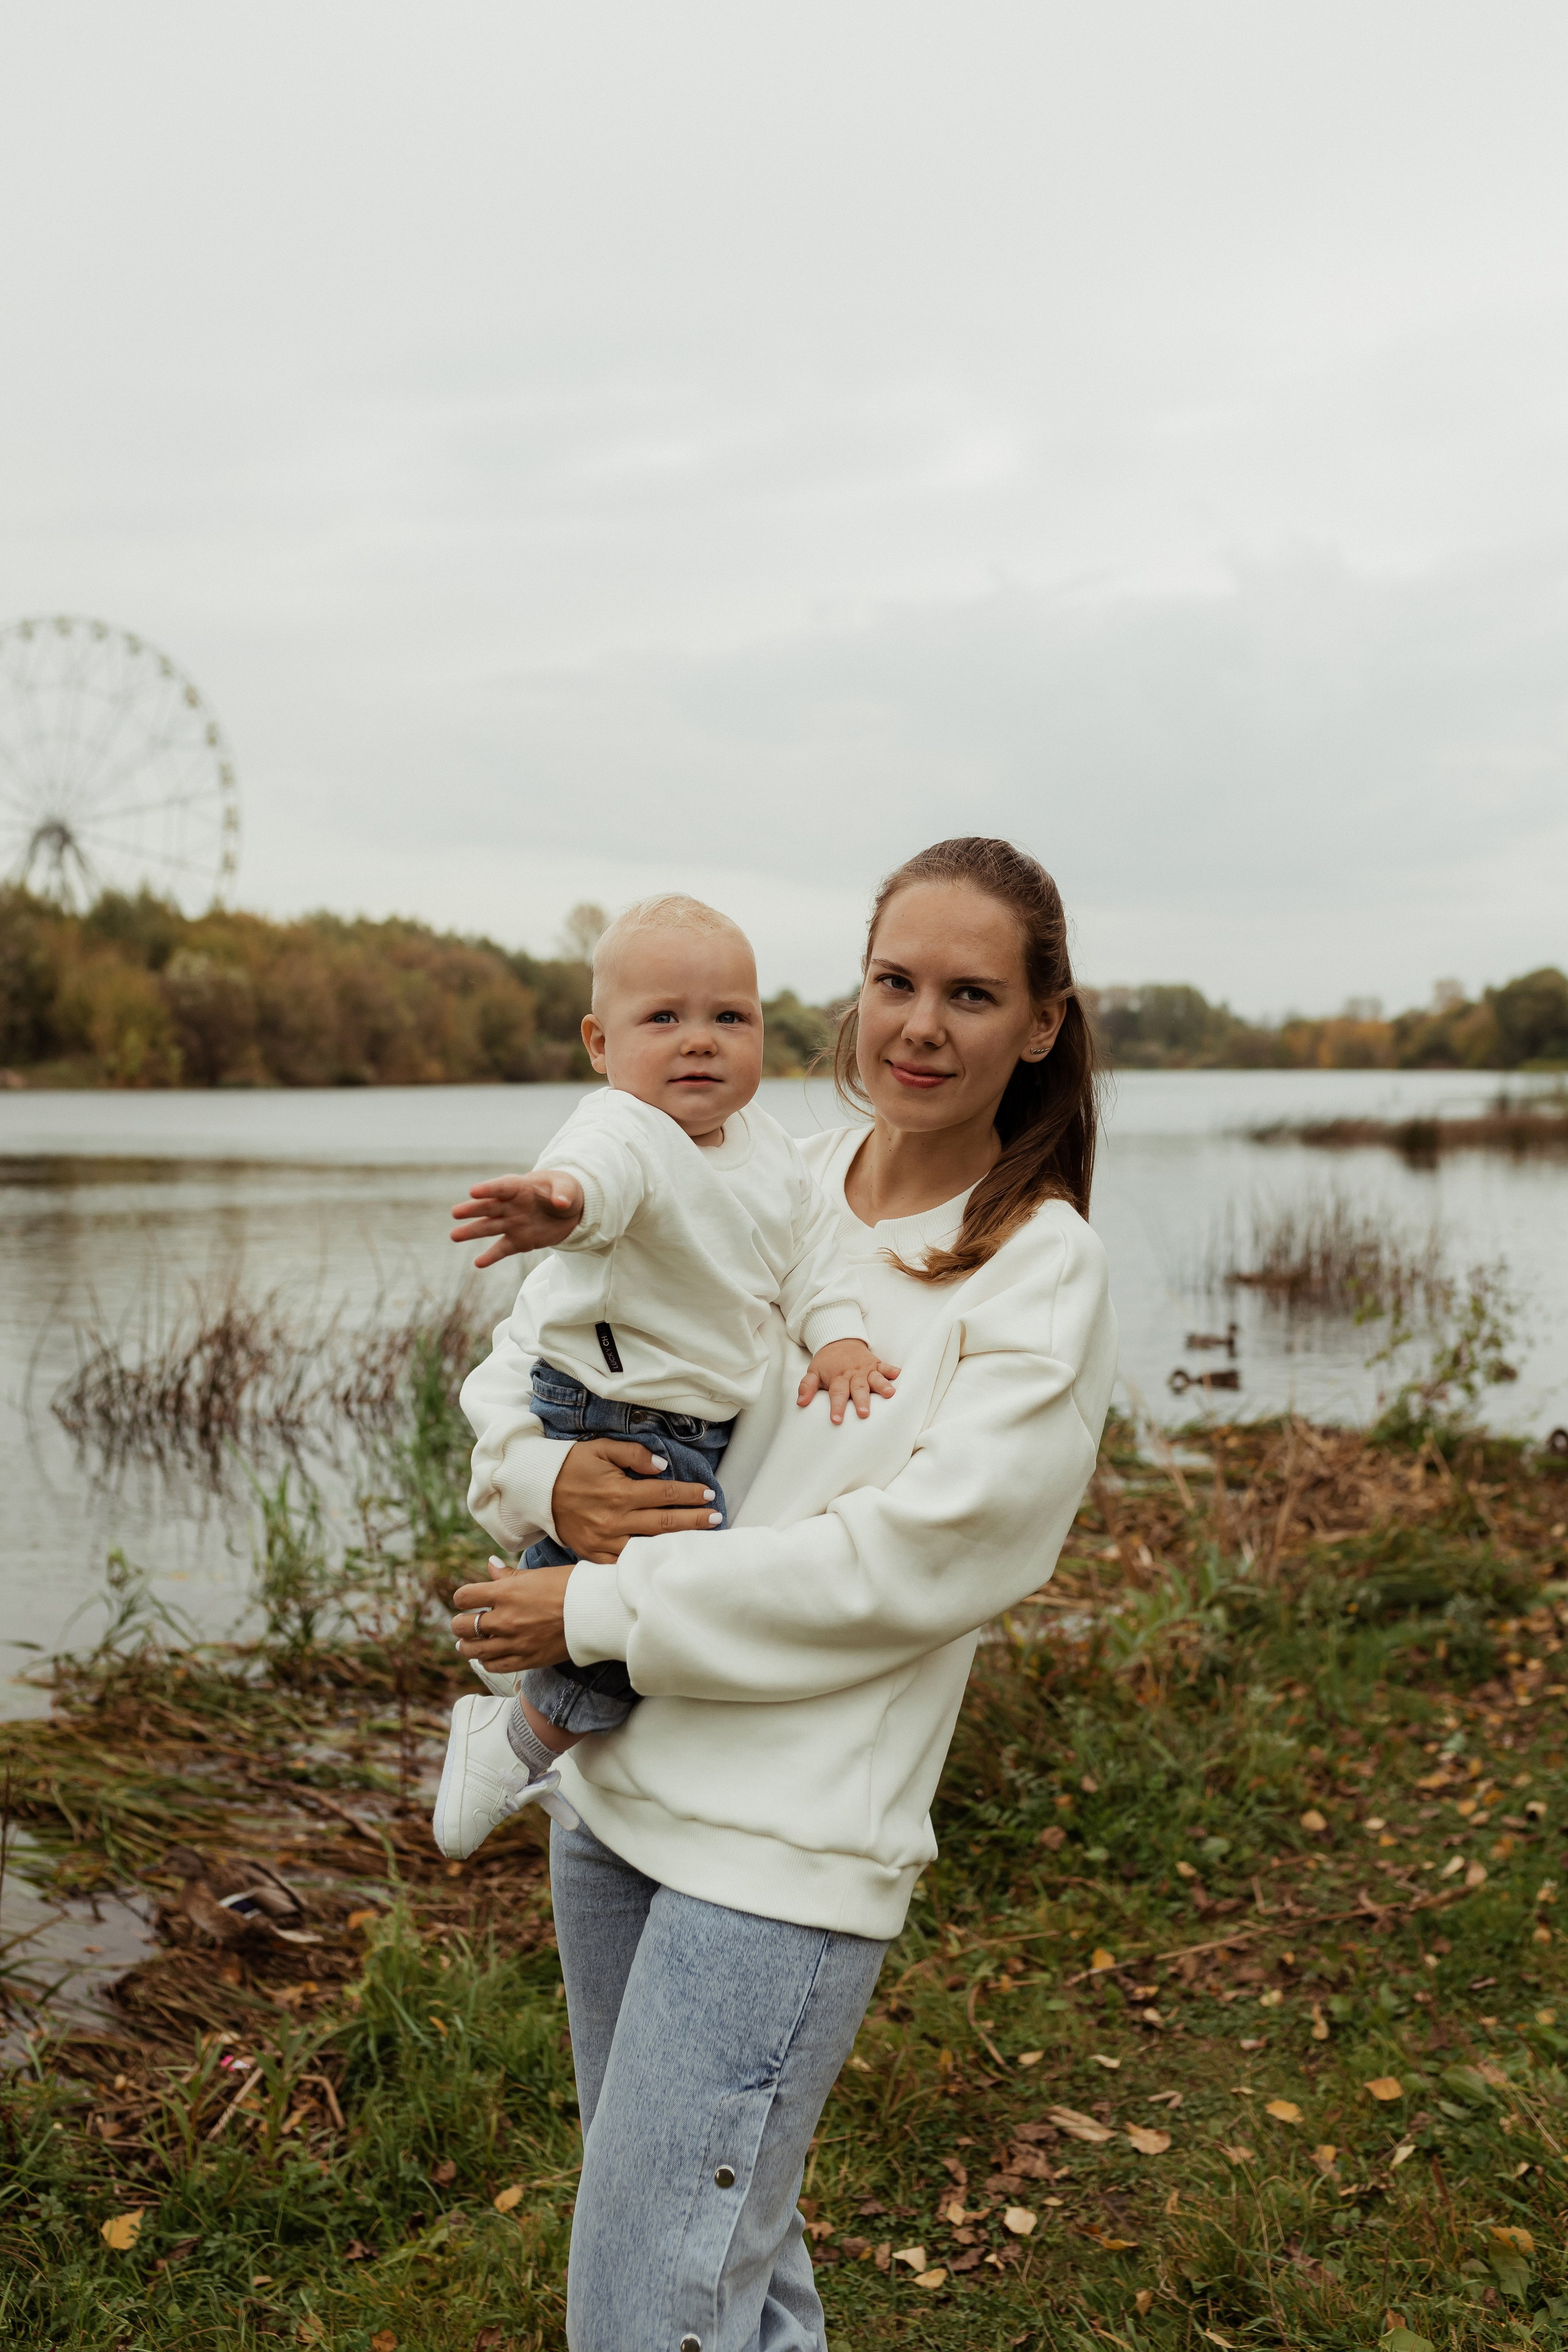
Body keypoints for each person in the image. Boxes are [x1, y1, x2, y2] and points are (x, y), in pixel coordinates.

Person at [452, 837, 1118, 2352]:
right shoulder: (765, 1168)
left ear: (1039, 1025)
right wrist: (539, 1485)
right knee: (724, 2273)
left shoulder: (1036, 1274)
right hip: (617, 1794)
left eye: (968, 993)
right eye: (894, 982)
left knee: (643, 2306)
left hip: (784, 1849)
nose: (919, 1026)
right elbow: (535, 1348)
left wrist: (599, 1614)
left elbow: (909, 1565)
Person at [435, 892, 895, 1852]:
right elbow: (595, 1181)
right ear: (601, 1045)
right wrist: (557, 1206)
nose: (700, 1041)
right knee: (664, 1595)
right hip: (615, 1404)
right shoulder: (626, 1129)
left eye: (730, 1018)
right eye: (665, 1019)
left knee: (637, 1593)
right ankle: (516, 1741)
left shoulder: (770, 1152)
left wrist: (842, 1335)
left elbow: (810, 1259)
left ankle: (519, 1648)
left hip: (684, 1416)